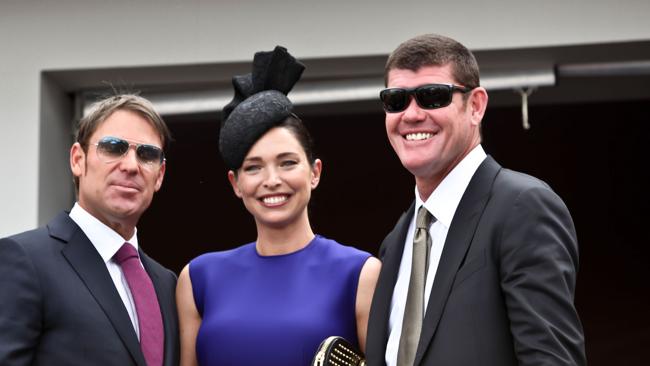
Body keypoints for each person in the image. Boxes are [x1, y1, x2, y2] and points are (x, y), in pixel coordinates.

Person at [365, 34, 586, 366]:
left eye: (432, 96)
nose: (411, 115)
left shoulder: (521, 207)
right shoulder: (396, 240)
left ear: (476, 106)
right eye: (396, 100)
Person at [176, 46, 381, 366]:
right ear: (235, 184)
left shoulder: (360, 274)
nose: (271, 180)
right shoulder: (199, 278)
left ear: (315, 172)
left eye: (287, 163)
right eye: (254, 167)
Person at [0, 94, 180, 366]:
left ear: (160, 175)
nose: (131, 166)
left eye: (147, 154)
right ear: (77, 160)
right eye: (113, 147)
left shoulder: (167, 283)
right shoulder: (24, 260)